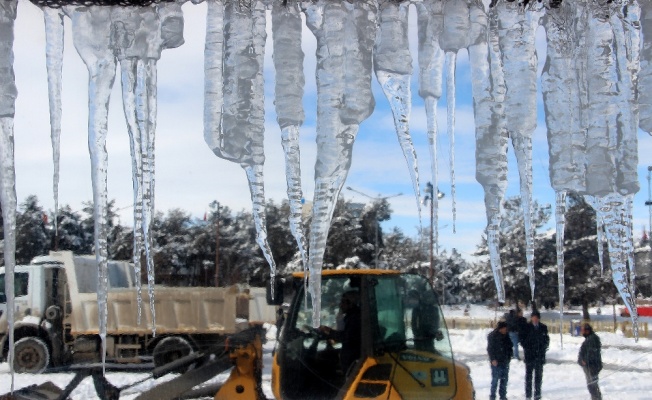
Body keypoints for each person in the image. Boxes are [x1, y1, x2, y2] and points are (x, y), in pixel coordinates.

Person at [320, 290, 362, 374]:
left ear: (351, 304)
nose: (340, 305)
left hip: (352, 359)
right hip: (348, 358)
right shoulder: (350, 317)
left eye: (343, 302)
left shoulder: (355, 318)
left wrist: (330, 332)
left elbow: (346, 337)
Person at [519, 310, 549, 400]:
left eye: (536, 318)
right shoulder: (526, 327)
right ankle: (528, 395)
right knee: (529, 376)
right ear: (531, 318)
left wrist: (543, 346)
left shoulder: (543, 327)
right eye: (533, 318)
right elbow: (522, 339)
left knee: (538, 377)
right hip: (530, 355)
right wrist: (528, 347)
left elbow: (546, 339)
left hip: (539, 355)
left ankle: (537, 394)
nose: (535, 319)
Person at [487, 321, 513, 400]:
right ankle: (492, 396)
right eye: (504, 328)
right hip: (496, 362)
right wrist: (493, 359)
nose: (506, 330)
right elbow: (490, 349)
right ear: (500, 329)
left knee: (504, 381)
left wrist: (509, 356)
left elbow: (510, 346)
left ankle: (503, 396)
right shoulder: (493, 336)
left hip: (505, 361)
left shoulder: (506, 336)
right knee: (495, 380)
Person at [578, 323, 603, 400]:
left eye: (583, 330)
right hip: (588, 366)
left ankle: (596, 398)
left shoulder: (593, 339)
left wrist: (585, 360)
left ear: (587, 331)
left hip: (592, 366)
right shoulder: (588, 339)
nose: (582, 332)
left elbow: (592, 353)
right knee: (591, 385)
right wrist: (581, 360)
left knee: (592, 386)